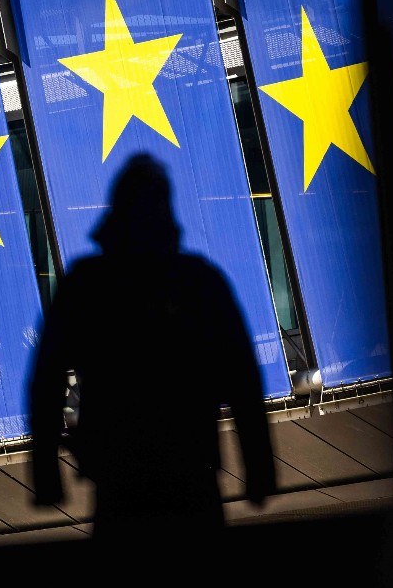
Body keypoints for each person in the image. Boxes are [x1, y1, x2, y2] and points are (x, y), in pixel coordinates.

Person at [27, 153, 276, 539]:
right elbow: (243, 380)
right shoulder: (200, 283)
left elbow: (46, 380)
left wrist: (46, 472)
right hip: (191, 470)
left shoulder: (87, 286)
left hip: (118, 479)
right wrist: (258, 469)